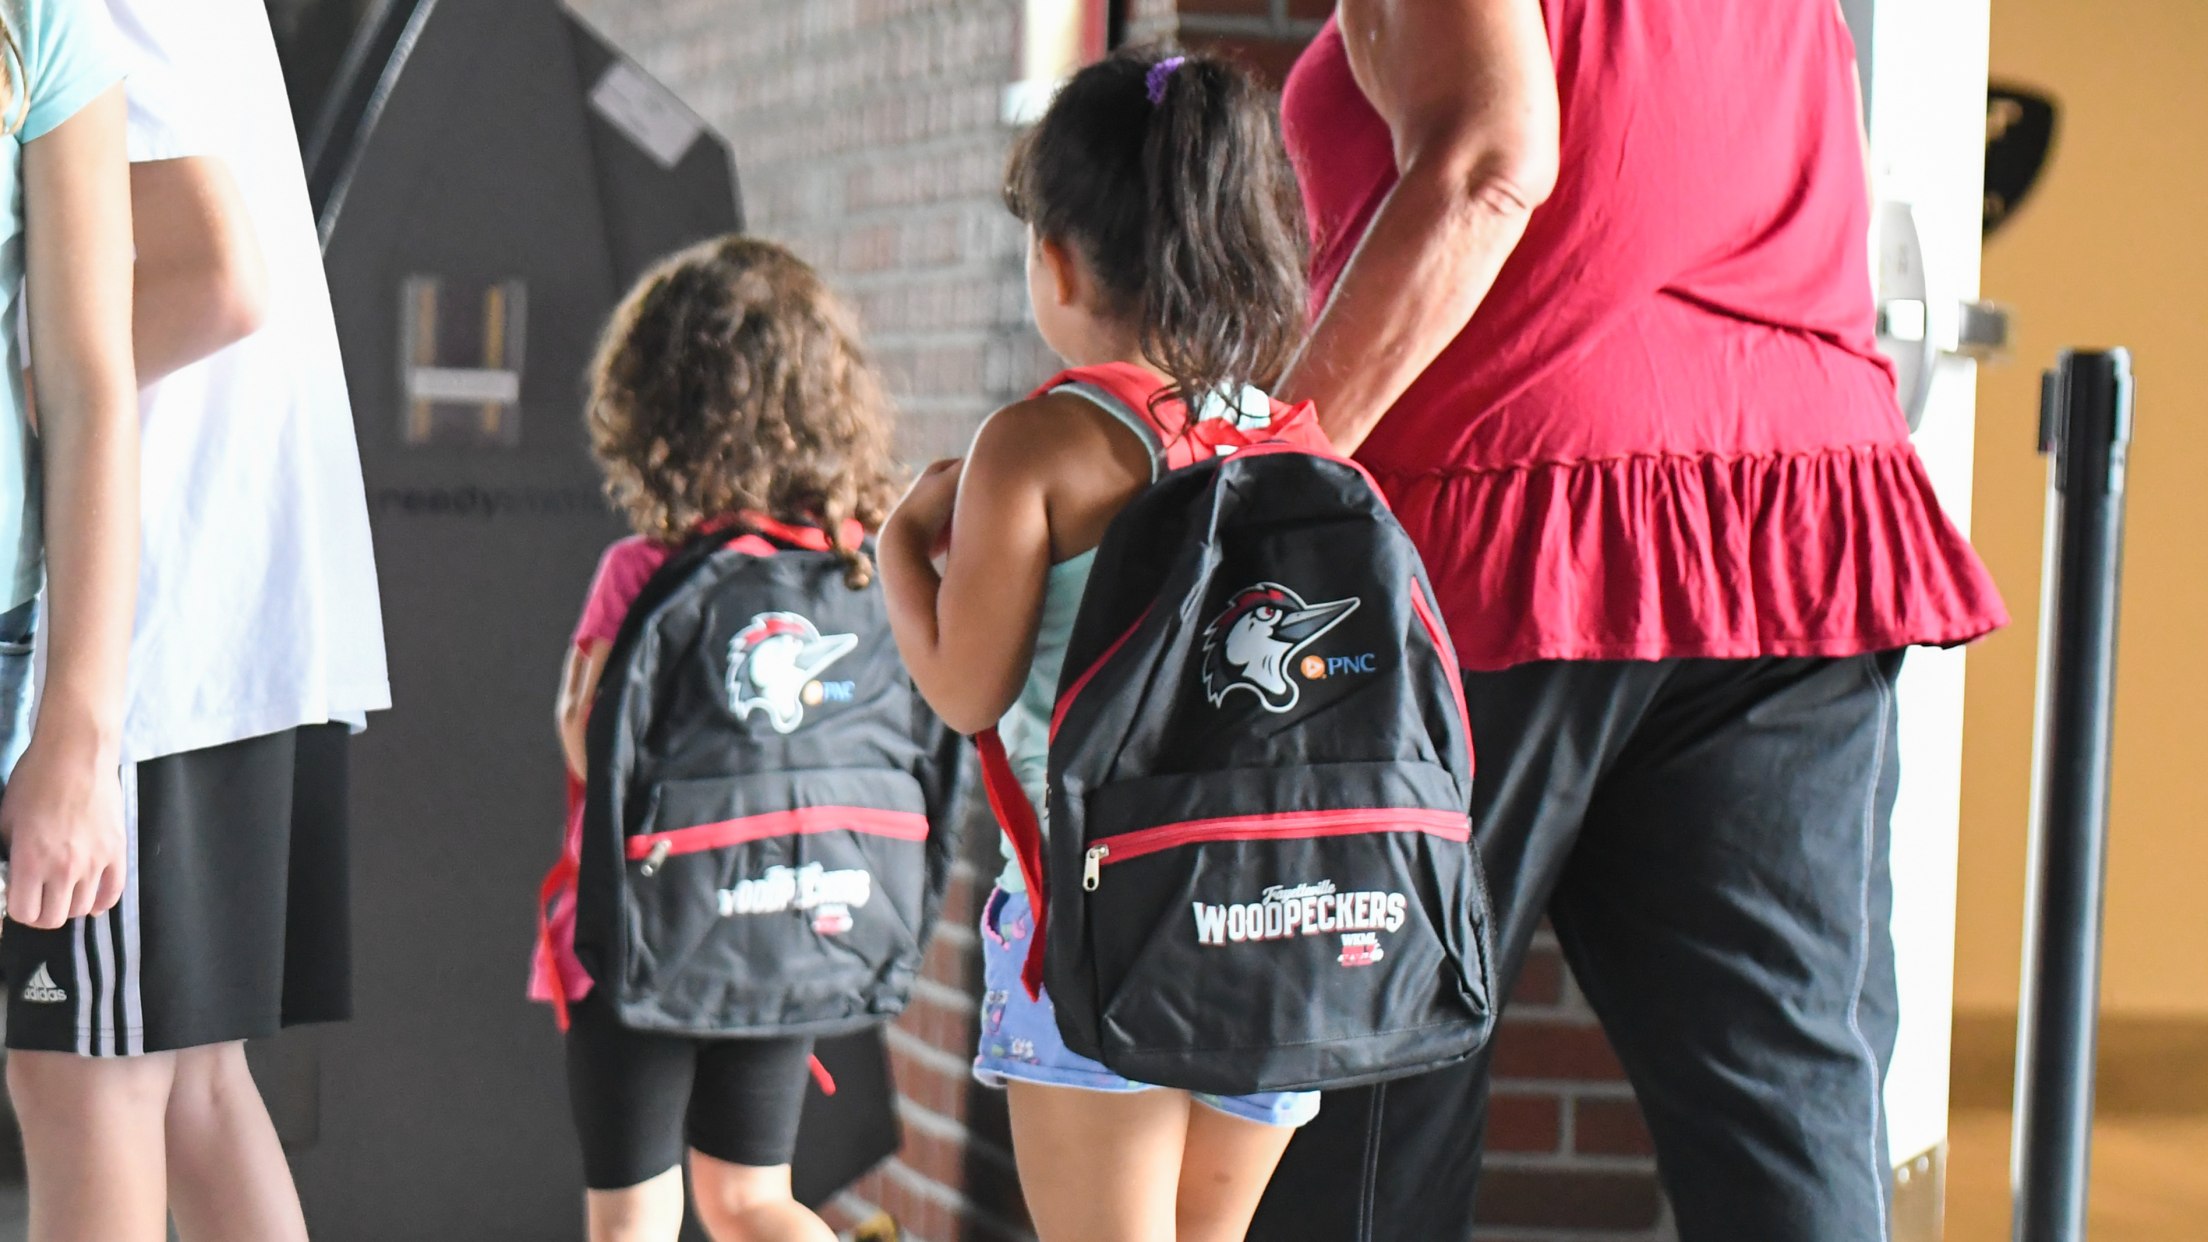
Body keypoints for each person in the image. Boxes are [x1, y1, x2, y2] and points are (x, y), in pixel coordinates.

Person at [1246, 2, 2009, 1240]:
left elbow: (1490, 167)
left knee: (1368, 1089)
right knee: (1790, 1104)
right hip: (1784, 529)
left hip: (1501, 527)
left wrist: (1254, 482)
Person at [879, 51, 1318, 1242]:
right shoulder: (1298, 440)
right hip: (1280, 917)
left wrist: (900, 548)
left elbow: (965, 691)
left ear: (1060, 260)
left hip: (1100, 917)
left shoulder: (1039, 445)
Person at [2, 2, 392, 1239]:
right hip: (226, 593)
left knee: (90, 1083)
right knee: (189, 1095)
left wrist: (18, 390)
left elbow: (216, 278)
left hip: (153, 612)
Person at [534, 236, 902, 1242]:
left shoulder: (644, 571)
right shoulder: (851, 568)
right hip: (791, 919)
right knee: (752, 1201)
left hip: (647, 934)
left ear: (659, 407)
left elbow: (588, 746)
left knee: (635, 1220)